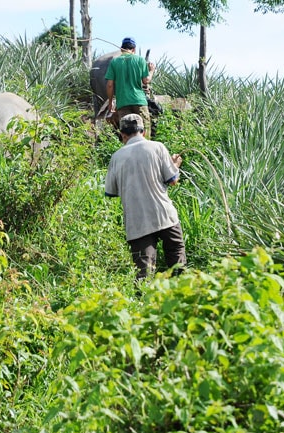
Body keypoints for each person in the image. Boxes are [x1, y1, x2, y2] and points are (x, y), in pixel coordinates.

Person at [105, 113, 186, 281]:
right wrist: (175, 165)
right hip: (164, 215)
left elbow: (111, 191)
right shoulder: (157, 147)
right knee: (177, 261)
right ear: (143, 131)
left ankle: (145, 304)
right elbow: (172, 180)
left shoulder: (116, 157)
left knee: (144, 273)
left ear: (123, 135)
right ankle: (183, 298)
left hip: (137, 222)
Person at [105, 37, 155, 136]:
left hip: (122, 103)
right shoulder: (140, 60)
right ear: (134, 49)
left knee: (127, 134)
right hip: (139, 101)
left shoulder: (114, 62)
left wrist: (110, 103)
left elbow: (110, 85)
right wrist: (152, 70)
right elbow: (146, 81)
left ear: (121, 49)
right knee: (145, 131)